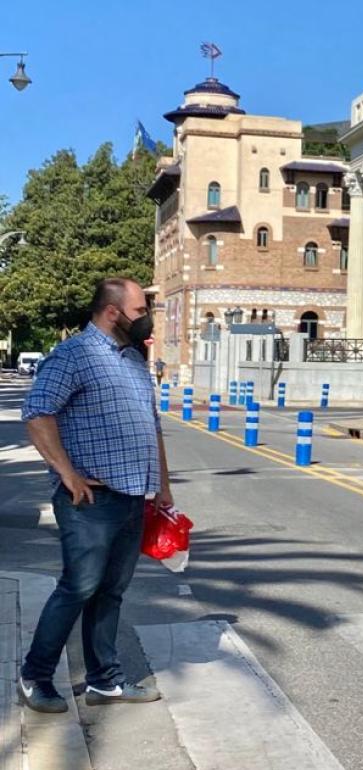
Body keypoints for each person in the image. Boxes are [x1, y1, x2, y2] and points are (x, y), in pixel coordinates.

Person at [18, 277, 170, 714]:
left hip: (132, 497)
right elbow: (37, 413)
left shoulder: (134, 360)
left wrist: (162, 486)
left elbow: (152, 426)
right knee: (78, 588)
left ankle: (105, 681)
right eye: (140, 311)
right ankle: (35, 677)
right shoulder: (75, 355)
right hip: (90, 502)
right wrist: (67, 474)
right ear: (113, 311)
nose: (146, 319)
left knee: (111, 592)